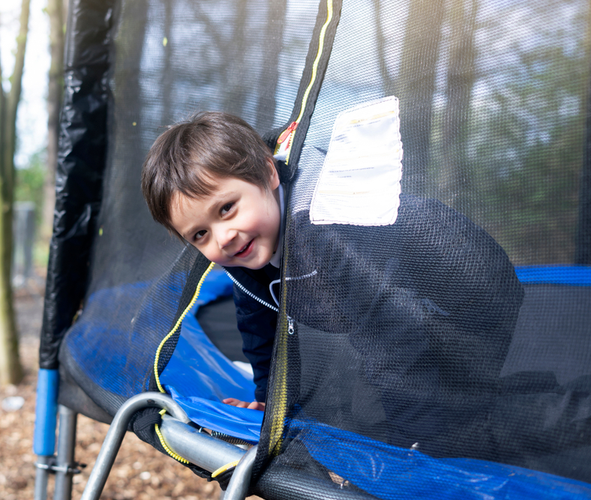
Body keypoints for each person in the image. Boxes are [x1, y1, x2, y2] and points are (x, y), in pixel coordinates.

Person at [141, 111, 525, 452]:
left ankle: (546, 419)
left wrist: (409, 444)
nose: (222, 237)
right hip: (403, 312)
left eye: (227, 208)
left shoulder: (325, 232)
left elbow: (394, 336)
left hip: (470, 297)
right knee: (421, 409)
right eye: (200, 235)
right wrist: (268, 400)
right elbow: (260, 330)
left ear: (268, 172)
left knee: (448, 427)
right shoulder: (245, 251)